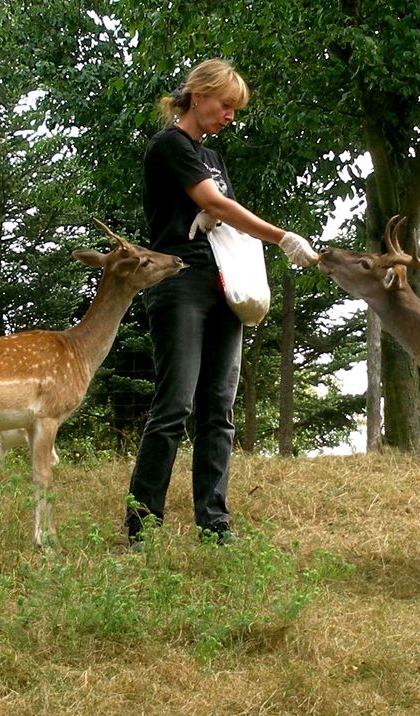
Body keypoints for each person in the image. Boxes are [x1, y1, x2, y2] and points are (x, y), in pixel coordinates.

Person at [124, 58, 319, 548]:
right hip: (180, 283)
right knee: (174, 406)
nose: (230, 114)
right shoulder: (170, 145)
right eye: (225, 104)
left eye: (235, 108)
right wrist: (281, 237)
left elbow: (220, 211)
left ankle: (214, 525)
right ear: (199, 96)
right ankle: (141, 526)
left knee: (219, 409)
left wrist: (222, 219)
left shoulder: (213, 158)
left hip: (224, 287)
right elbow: (214, 203)